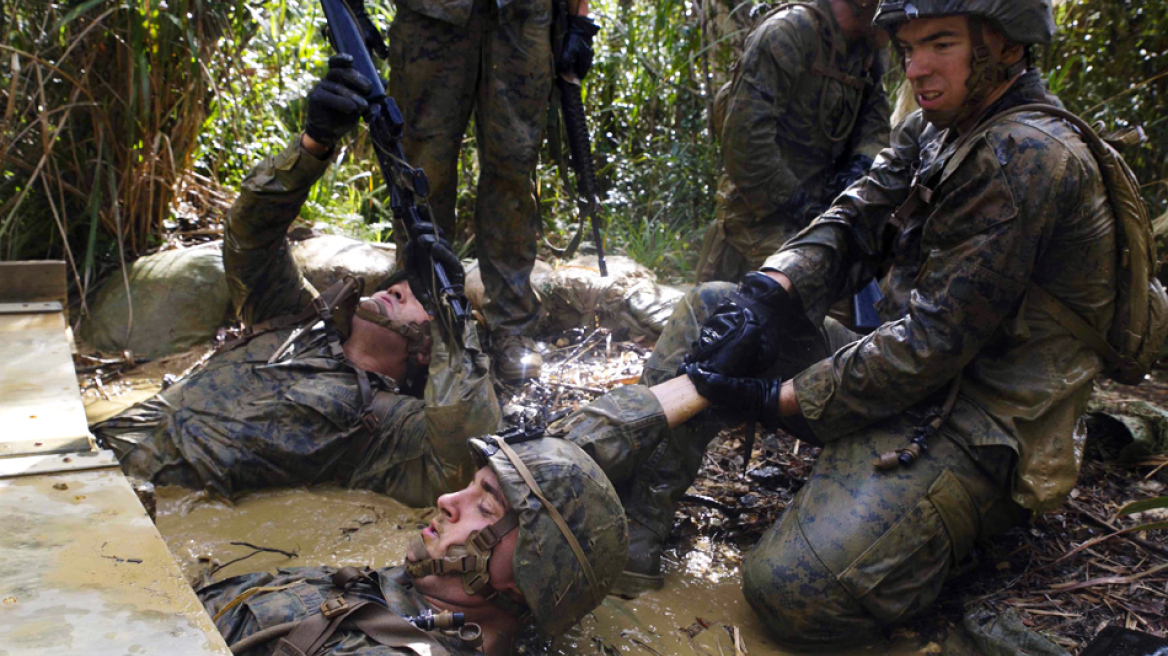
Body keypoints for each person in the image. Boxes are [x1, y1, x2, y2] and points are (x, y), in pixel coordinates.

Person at [566, 0, 1121, 647]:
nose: (916, 69)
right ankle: (634, 534)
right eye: (908, 49)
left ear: (1003, 45)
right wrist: (769, 288)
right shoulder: (940, 127)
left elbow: (929, 344)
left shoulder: (1026, 154)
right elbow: (855, 217)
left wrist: (780, 399)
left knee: (793, 593)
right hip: (909, 376)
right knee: (715, 311)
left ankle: (948, 527)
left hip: (984, 421)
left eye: (938, 44)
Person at [94, 57, 501, 507]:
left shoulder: (389, 427)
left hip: (130, 514)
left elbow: (460, 453)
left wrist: (452, 314)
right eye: (401, 282)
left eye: (418, 297)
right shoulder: (291, 315)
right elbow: (250, 233)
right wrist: (313, 145)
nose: (398, 287)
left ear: (429, 352)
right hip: (84, 458)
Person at [198, 433, 629, 656]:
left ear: (525, 578)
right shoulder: (427, 593)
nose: (446, 501)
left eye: (485, 507)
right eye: (468, 487)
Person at [386, 0, 600, 382]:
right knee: (421, 170)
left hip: (523, 17)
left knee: (514, 166)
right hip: (432, 14)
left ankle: (512, 324)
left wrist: (579, 18)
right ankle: (427, 316)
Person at [695, 0, 891, 285]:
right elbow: (746, 142)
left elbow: (876, 125)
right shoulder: (787, 32)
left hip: (826, 211)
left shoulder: (868, 46)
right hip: (761, 217)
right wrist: (803, 207)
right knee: (814, 297)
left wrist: (859, 168)